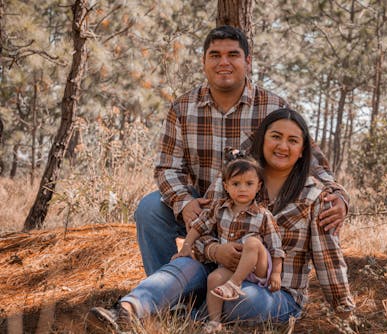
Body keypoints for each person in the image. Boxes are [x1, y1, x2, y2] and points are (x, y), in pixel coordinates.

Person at [87, 108, 354, 333]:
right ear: (262, 140)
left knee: (241, 299)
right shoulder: (235, 178)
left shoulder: (316, 195)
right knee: (181, 267)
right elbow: (202, 229)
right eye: (275, 137)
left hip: (275, 292)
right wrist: (214, 250)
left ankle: (181, 317)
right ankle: (126, 310)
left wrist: (345, 312)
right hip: (215, 273)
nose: (283, 146)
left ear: (302, 149)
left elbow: (328, 259)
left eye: (292, 140)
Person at [134, 25, 348, 278]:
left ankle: (247, 288)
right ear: (204, 62)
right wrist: (184, 202)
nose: (223, 62)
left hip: (252, 210)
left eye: (232, 55)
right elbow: (168, 167)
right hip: (202, 207)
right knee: (149, 209)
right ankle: (165, 294)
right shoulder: (183, 108)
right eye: (215, 55)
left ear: (247, 61)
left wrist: (339, 196)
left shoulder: (272, 107)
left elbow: (309, 160)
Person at [172, 151, 284, 333]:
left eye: (249, 184)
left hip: (258, 267)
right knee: (214, 278)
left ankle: (234, 284)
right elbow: (198, 227)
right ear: (226, 186)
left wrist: (276, 274)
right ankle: (214, 322)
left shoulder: (263, 215)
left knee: (253, 242)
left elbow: (276, 247)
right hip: (231, 266)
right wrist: (186, 246)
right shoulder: (219, 209)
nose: (242, 189)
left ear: (258, 186)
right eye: (236, 184)